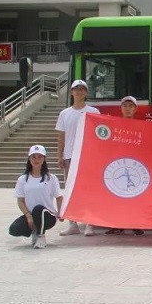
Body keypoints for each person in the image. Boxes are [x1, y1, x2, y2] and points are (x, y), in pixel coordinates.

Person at [55, 79, 100, 237]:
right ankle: (73, 224)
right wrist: (60, 155)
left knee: (88, 190)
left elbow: (98, 135)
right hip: (70, 156)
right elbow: (61, 136)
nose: (79, 92)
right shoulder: (64, 113)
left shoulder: (93, 112)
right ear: (72, 92)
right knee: (70, 190)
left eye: (82, 89)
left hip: (87, 156)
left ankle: (89, 224)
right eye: (76, 89)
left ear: (86, 92)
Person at [9, 145, 64, 249]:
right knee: (14, 229)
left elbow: (59, 197)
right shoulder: (22, 179)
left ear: (44, 159)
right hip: (31, 216)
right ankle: (35, 230)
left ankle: (40, 236)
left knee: (39, 209)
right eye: (33, 157)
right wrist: (28, 215)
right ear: (29, 159)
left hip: (48, 216)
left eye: (40, 157)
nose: (36, 160)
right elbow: (20, 201)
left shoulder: (51, 178)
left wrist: (60, 212)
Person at [104, 96, 144, 237]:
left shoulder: (142, 126)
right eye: (125, 106)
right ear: (121, 108)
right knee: (117, 197)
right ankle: (116, 225)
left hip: (136, 166)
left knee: (135, 197)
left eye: (130, 106)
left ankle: (135, 224)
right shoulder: (114, 125)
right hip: (118, 166)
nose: (127, 109)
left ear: (135, 109)